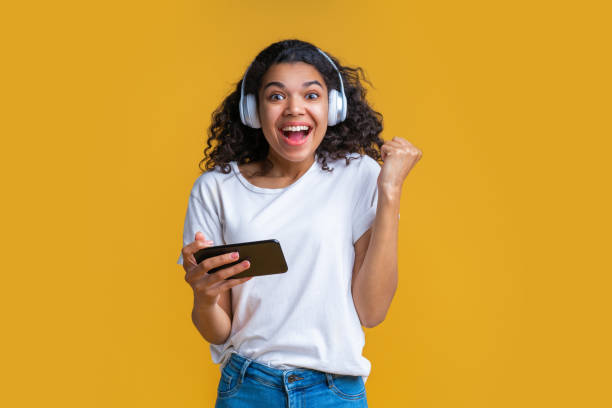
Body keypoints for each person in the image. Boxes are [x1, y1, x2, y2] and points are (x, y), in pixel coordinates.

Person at [177, 39, 422, 407]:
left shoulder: (358, 176)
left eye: (311, 95)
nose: (295, 109)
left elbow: (372, 311)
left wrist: (389, 192)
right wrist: (204, 295)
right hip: (248, 387)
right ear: (254, 111)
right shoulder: (216, 189)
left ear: (333, 107)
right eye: (276, 97)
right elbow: (218, 330)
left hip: (334, 391)